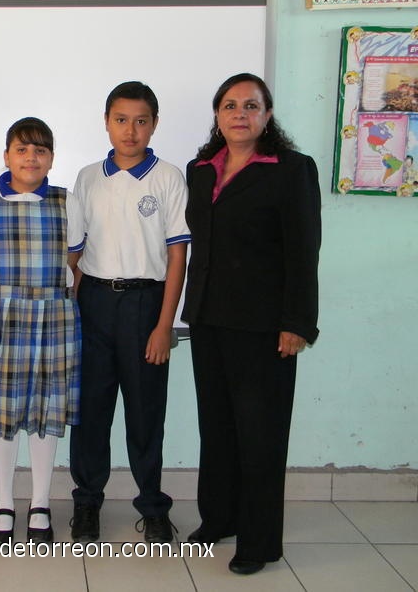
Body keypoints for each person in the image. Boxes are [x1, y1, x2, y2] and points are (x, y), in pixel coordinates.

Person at [181, 73, 321, 576]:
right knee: (217, 428)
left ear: (267, 115)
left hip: (265, 327)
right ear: (217, 115)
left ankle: (260, 542)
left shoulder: (291, 169)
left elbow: (305, 252)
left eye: (251, 105)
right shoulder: (200, 170)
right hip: (209, 320)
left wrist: (298, 322)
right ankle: (219, 518)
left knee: (261, 434)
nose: (240, 114)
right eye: (230, 105)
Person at [69, 82, 189, 544]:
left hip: (145, 305)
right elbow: (76, 256)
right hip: (94, 303)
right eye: (121, 119)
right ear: (106, 122)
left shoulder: (168, 177)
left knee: (145, 413)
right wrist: (72, 316)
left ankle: (153, 505)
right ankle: (87, 502)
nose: (131, 130)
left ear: (154, 124)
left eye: (141, 120)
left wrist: (164, 325)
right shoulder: (87, 178)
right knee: (91, 410)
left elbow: (177, 256)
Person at [0, 117, 85, 544]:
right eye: (21, 149)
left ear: (51, 157)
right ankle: (2, 504)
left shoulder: (66, 201)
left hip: (51, 316)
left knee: (44, 413)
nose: (30, 157)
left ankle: (39, 503)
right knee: (3, 412)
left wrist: (52, 298)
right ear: (6, 155)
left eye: (40, 150)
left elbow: (75, 261)